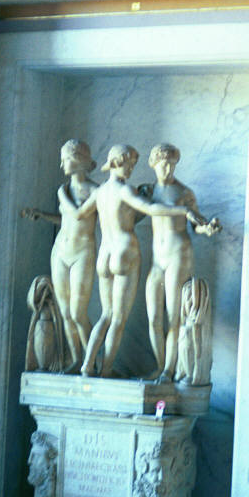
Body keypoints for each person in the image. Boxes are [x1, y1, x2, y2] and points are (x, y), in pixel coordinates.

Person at [58, 144, 200, 377]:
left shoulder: (100, 191)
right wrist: (183, 211)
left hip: (104, 255)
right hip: (124, 252)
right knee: (118, 319)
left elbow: (79, 214)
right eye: (129, 165)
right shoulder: (125, 190)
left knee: (105, 315)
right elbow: (152, 208)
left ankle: (87, 364)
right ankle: (105, 369)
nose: (131, 170)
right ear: (117, 163)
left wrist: (62, 194)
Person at [145, 144, 220, 382]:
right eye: (163, 165)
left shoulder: (184, 192)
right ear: (153, 165)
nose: (168, 169)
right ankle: (160, 366)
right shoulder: (148, 191)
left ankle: (169, 369)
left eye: (172, 165)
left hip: (178, 254)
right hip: (157, 259)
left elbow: (197, 223)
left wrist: (206, 229)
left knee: (173, 316)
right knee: (153, 318)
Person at [21, 140, 98, 372]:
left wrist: (62, 195)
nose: (61, 164)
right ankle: (77, 359)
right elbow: (66, 219)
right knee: (65, 312)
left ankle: (92, 362)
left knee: (78, 312)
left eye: (65, 159)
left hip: (83, 252)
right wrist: (43, 215)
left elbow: (81, 215)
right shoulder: (64, 189)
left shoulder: (94, 191)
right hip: (60, 252)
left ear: (78, 159)